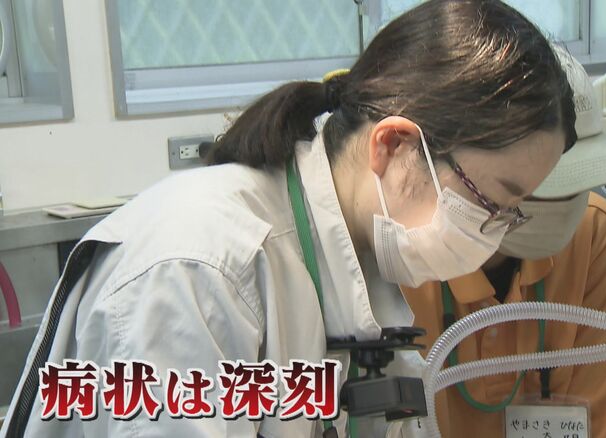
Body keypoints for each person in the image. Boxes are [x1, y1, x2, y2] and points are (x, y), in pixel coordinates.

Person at [1, 1, 576, 437]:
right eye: (489, 201)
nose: (491, 234)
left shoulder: (364, 266)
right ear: (394, 146)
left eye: (509, 214)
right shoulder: (197, 268)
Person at [401, 47, 606, 438]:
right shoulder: (403, 251)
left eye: (576, 182)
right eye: (537, 184)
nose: (563, 203)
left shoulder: (595, 235)